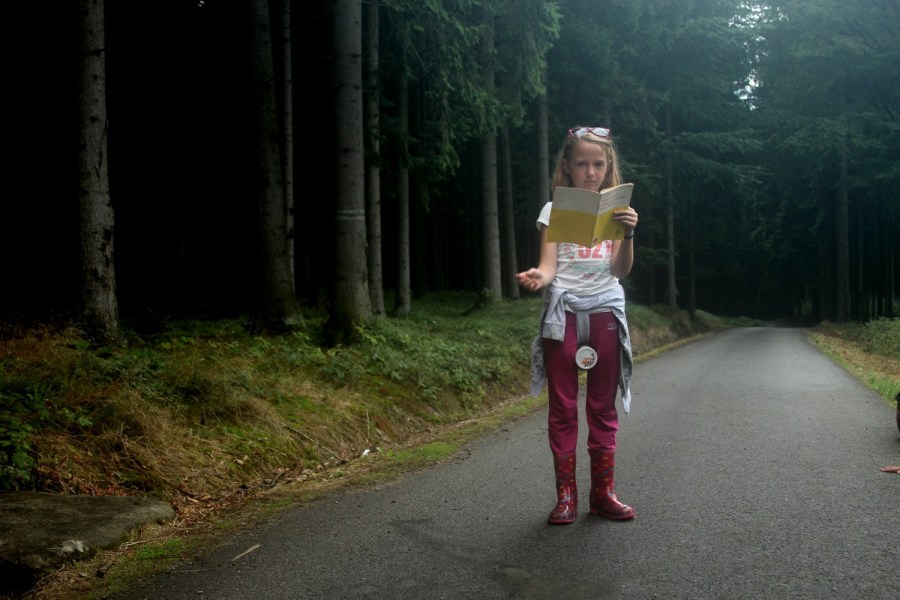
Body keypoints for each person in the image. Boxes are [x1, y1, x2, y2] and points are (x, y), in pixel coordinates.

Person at [516, 126, 639, 525]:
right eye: (582, 163)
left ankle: (603, 494)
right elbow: (549, 265)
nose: (590, 172)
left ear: (608, 166)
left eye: (598, 164)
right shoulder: (553, 211)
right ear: (567, 166)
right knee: (563, 406)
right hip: (563, 312)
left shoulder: (617, 210)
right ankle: (565, 497)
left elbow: (619, 270)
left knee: (602, 405)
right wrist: (538, 276)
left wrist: (629, 233)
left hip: (605, 310)